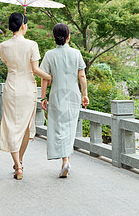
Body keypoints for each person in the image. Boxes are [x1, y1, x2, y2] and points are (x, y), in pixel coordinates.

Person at [0, 12, 51, 180]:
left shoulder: (3, 46)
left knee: (11, 124)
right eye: (26, 24)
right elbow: (35, 70)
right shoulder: (32, 44)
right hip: (27, 88)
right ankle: (20, 160)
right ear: (23, 25)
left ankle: (18, 165)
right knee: (26, 126)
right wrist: (50, 77)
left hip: (11, 85)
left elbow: (7, 64)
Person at [40, 23, 89, 178]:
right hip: (73, 95)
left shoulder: (49, 55)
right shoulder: (76, 53)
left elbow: (44, 78)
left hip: (56, 95)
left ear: (54, 37)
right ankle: (66, 159)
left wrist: (43, 96)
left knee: (58, 128)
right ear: (69, 36)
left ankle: (65, 160)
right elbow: (82, 76)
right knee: (70, 127)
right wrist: (85, 95)